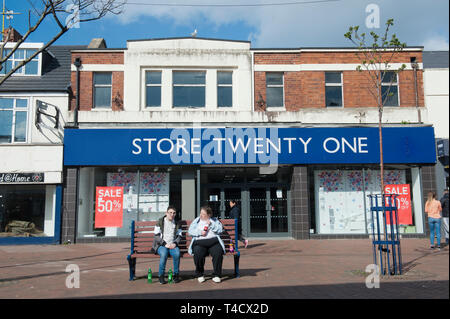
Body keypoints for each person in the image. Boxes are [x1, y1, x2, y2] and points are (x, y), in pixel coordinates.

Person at [188, 206, 225, 283]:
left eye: (203, 214)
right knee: (197, 253)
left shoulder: (214, 220)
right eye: (201, 213)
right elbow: (190, 231)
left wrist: (211, 224)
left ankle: (217, 275)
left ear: (209, 215)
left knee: (218, 252)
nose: (201, 215)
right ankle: (200, 274)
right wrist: (200, 232)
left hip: (213, 242)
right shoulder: (197, 221)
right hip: (200, 243)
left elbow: (220, 229)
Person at [152, 205, 182, 284]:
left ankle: (176, 275)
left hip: (172, 245)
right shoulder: (160, 221)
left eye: (174, 213)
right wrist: (164, 244)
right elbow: (156, 236)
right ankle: (161, 276)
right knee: (164, 254)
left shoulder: (177, 222)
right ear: (166, 213)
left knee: (177, 253)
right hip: (161, 245)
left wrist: (175, 243)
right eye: (170, 212)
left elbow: (179, 236)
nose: (172, 214)